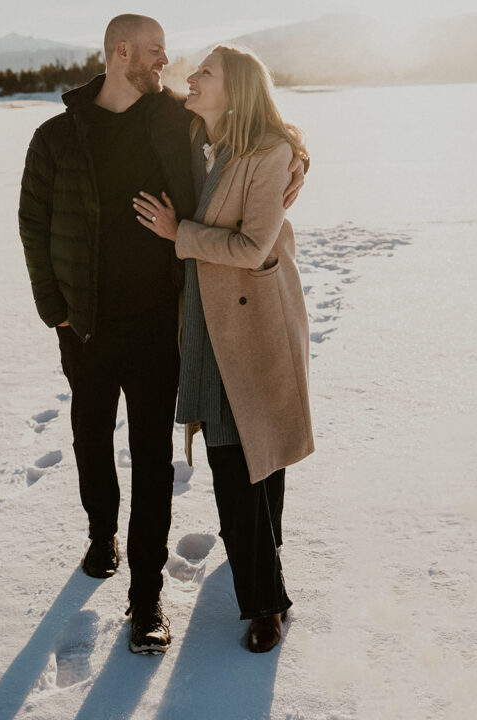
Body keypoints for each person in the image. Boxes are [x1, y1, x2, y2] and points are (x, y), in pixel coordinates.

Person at [19, 16, 306, 654]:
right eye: (154, 53)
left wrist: (296, 157)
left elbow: (255, 129)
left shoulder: (174, 121)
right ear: (121, 51)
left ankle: (145, 598)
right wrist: (55, 310)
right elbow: (32, 226)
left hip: (161, 325)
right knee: (90, 437)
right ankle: (101, 535)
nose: (166, 63)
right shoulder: (56, 137)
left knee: (153, 460)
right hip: (85, 327)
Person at [133, 44, 313, 654]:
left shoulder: (270, 154)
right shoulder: (198, 139)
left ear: (234, 89)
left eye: (204, 72)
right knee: (244, 449)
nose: (192, 77)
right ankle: (269, 553)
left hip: (253, 318)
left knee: (242, 458)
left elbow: (252, 247)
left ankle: (267, 604)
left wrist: (176, 234)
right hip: (206, 322)